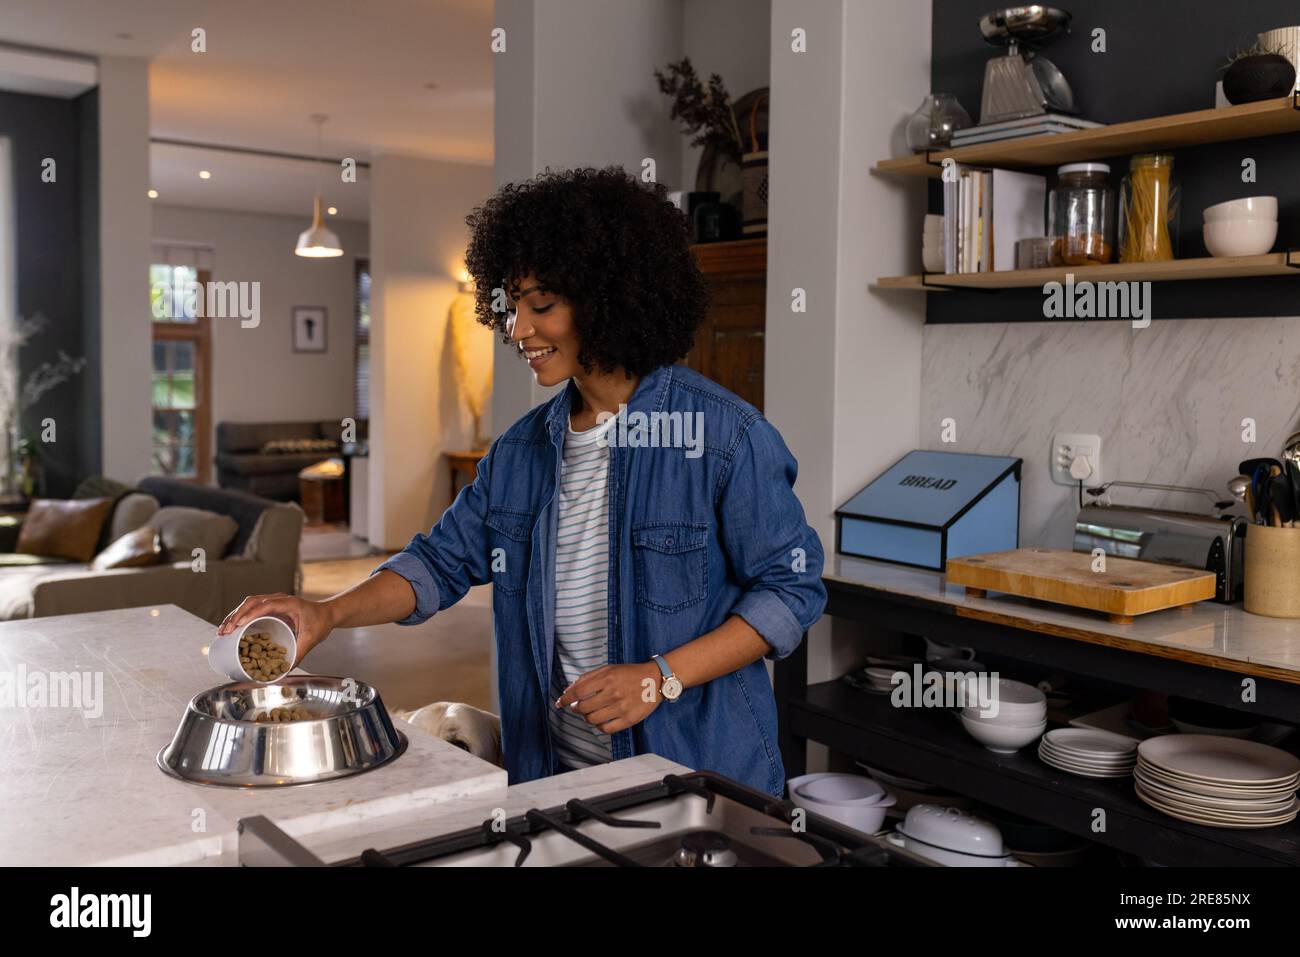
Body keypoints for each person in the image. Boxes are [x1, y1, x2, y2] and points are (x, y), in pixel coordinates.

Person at [217, 167, 826, 795]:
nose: (518, 330)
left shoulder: (725, 438)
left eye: (542, 306)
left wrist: (659, 676)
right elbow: (439, 563)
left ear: (610, 298)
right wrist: (326, 612)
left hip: (697, 779)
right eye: (512, 308)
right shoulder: (521, 452)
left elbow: (792, 590)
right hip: (557, 777)